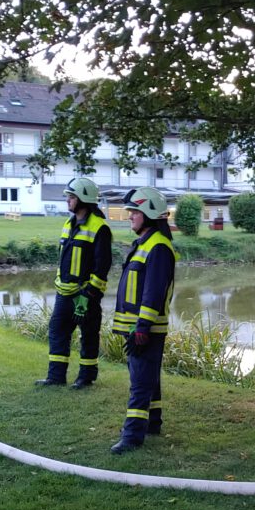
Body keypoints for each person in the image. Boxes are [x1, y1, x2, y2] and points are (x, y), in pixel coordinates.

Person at [109, 187, 177, 454]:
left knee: (139, 383)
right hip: (138, 326)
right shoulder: (147, 243)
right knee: (148, 378)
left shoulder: (158, 246)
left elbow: (154, 291)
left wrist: (143, 327)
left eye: (134, 212)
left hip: (144, 328)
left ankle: (132, 436)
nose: (130, 216)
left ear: (149, 213)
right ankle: (153, 423)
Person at [35, 177, 112, 389]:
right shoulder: (69, 224)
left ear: (84, 199)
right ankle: (56, 376)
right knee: (57, 331)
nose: (67, 200)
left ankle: (86, 378)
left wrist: (89, 295)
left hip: (85, 295)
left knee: (88, 336)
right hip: (64, 293)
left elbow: (102, 266)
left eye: (71, 197)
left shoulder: (100, 228)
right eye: (68, 196)